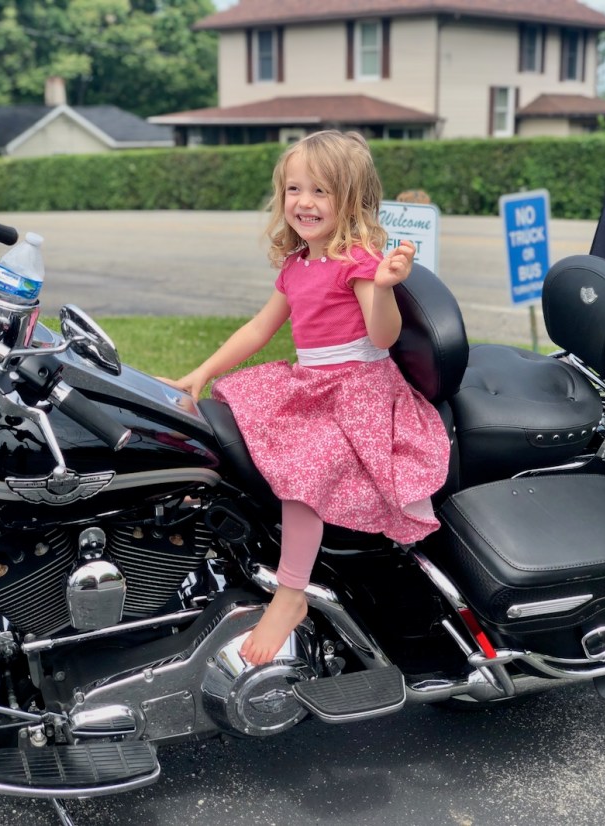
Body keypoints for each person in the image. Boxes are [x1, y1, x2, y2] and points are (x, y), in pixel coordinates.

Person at [162, 130, 450, 666]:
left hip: (358, 389)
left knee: (304, 472)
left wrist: (384, 285)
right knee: (225, 420)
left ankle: (291, 593)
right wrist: (201, 371)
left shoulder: (359, 262)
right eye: (295, 189)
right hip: (312, 382)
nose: (305, 203)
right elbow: (258, 329)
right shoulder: (297, 265)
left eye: (321, 191)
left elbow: (382, 337)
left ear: (352, 199)